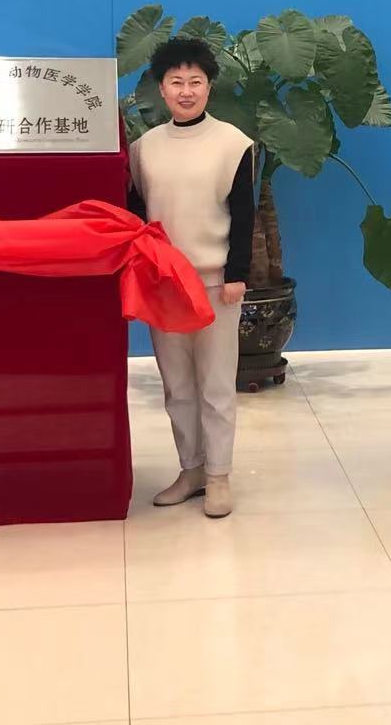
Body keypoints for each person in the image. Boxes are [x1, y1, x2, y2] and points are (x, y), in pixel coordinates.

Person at [128, 37, 254, 519]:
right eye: (176, 82)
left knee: (216, 384)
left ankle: (219, 475)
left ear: (209, 87)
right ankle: (191, 469)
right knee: (177, 385)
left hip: (217, 282)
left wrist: (237, 274)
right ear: (161, 89)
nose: (186, 91)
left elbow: (243, 215)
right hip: (164, 282)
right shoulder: (144, 150)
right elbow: (137, 217)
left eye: (195, 82)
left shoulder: (233, 144)